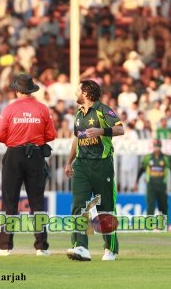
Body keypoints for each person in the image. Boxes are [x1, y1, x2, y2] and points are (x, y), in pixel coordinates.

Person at [0, 73, 56, 256]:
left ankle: (5, 247)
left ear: (17, 91)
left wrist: (14, 140)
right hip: (35, 155)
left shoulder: (9, 109)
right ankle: (41, 247)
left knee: (10, 202)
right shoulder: (43, 109)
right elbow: (51, 135)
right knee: (37, 203)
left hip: (14, 154)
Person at [65, 80, 124, 261]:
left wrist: (101, 131)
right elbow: (77, 139)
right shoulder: (78, 114)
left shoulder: (103, 110)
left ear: (86, 93)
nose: (75, 92)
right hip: (81, 165)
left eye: (78, 89)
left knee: (105, 208)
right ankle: (80, 246)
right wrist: (69, 162)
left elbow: (120, 129)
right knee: (78, 205)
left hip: (102, 164)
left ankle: (110, 248)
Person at [133, 139, 171, 215]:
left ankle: (163, 225)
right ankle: (150, 225)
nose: (157, 148)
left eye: (158, 147)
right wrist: (136, 182)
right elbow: (141, 170)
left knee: (163, 207)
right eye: (155, 146)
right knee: (150, 206)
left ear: (161, 147)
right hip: (151, 185)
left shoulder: (166, 158)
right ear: (153, 147)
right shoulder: (148, 157)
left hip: (162, 185)